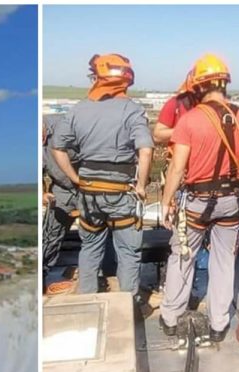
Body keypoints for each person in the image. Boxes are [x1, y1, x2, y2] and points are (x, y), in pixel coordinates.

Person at [158, 53, 239, 342]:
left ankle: (171, 317)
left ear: (198, 87)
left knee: (182, 255)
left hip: (197, 202)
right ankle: (218, 323)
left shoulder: (189, 121)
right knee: (223, 262)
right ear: (224, 84)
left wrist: (166, 202)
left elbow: (178, 167)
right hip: (232, 201)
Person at [51, 53, 153, 315]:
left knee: (90, 246)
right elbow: (145, 149)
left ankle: (87, 303)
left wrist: (75, 179)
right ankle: (128, 309)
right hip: (121, 193)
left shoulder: (78, 109)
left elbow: (58, 148)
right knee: (128, 252)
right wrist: (141, 185)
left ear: (98, 78)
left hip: (88, 193)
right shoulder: (131, 110)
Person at [42, 114, 80, 274]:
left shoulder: (66, 125)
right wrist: (42, 193)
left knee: (96, 234)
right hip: (62, 188)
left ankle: (100, 277)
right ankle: (42, 275)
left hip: (89, 185)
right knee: (51, 234)